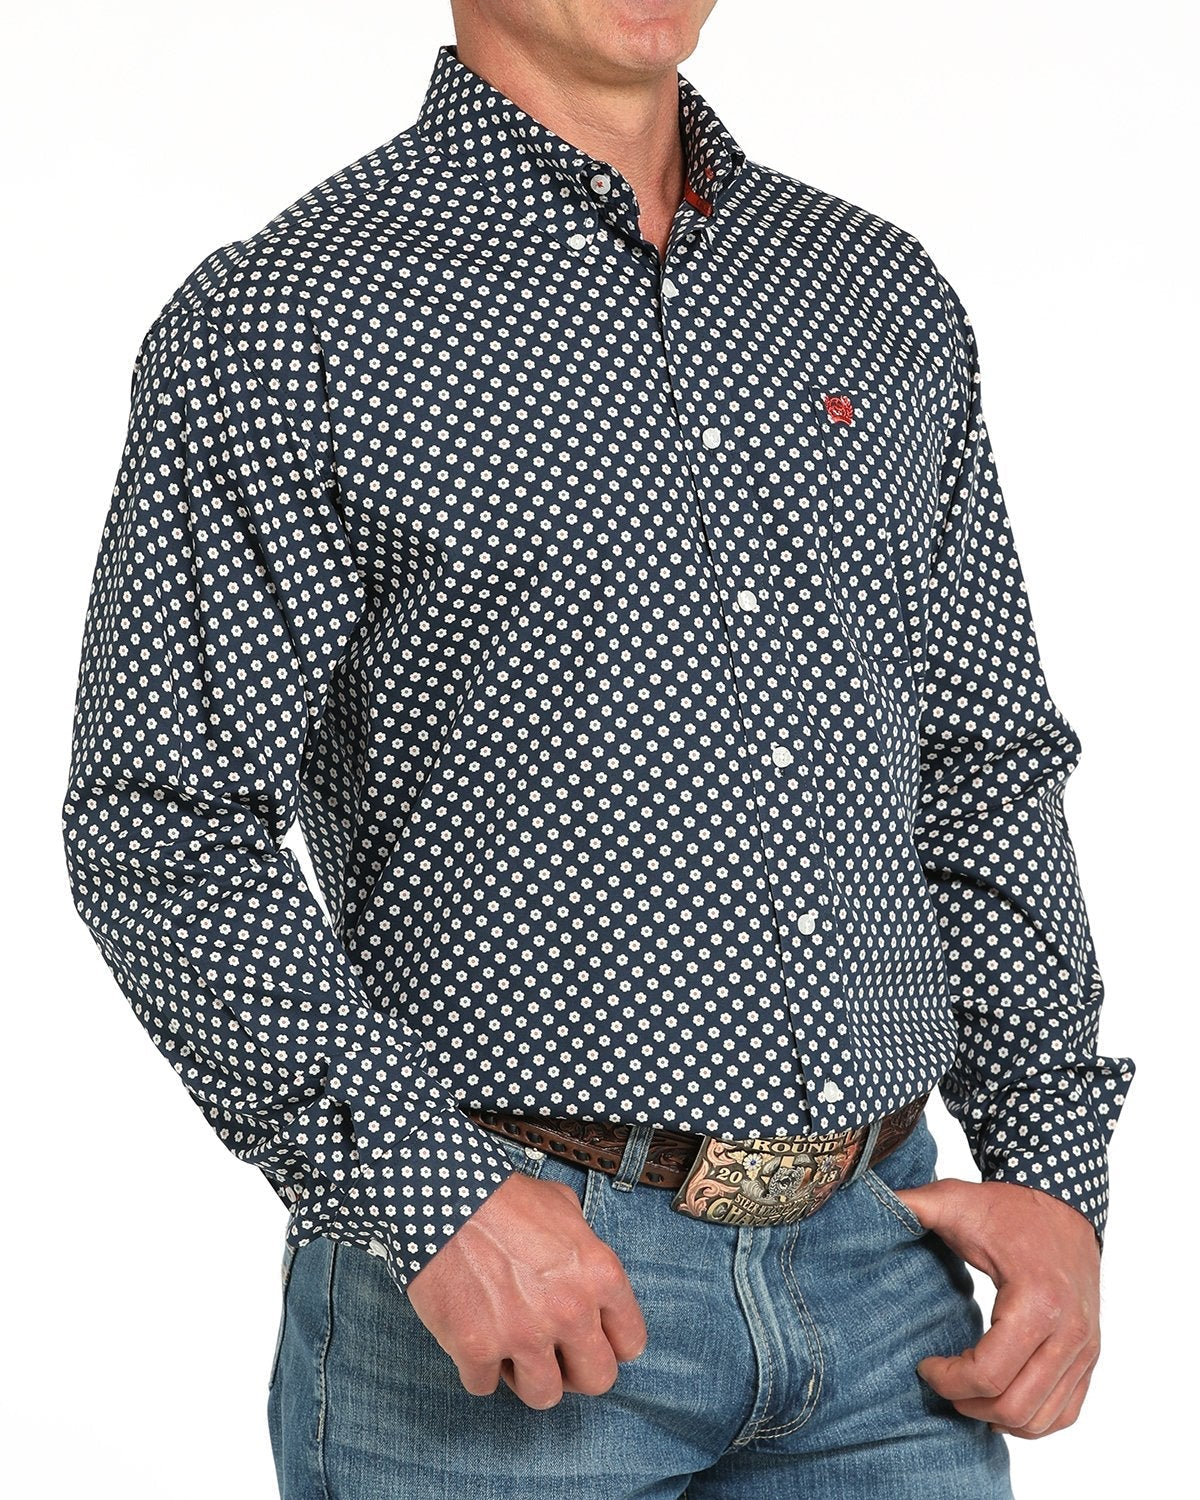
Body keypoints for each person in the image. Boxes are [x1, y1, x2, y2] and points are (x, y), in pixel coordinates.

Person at [60, 2, 1136, 1495]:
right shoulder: (292, 319)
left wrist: (1055, 1176)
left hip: (889, 1298)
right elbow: (160, 823)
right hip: (507, 1307)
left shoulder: (875, 295)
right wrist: (432, 1198)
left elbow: (982, 762)